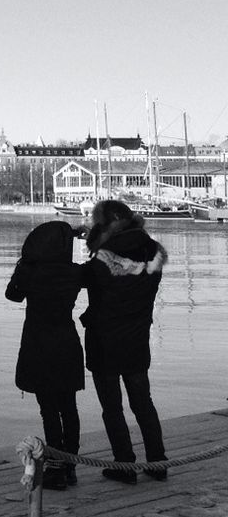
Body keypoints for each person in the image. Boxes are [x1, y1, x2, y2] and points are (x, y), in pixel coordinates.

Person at [80, 199, 167, 484]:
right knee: (143, 401)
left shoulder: (103, 259)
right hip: (138, 335)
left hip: (105, 339)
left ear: (110, 222)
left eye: (96, 220)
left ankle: (124, 464)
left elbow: (78, 277)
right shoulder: (152, 252)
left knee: (113, 406)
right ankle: (157, 461)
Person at [5, 220, 85, 490]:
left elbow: (12, 296)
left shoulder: (31, 272)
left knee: (49, 409)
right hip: (66, 341)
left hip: (38, 343)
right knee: (69, 407)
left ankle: (55, 465)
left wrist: (22, 266)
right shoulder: (73, 273)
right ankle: (69, 465)